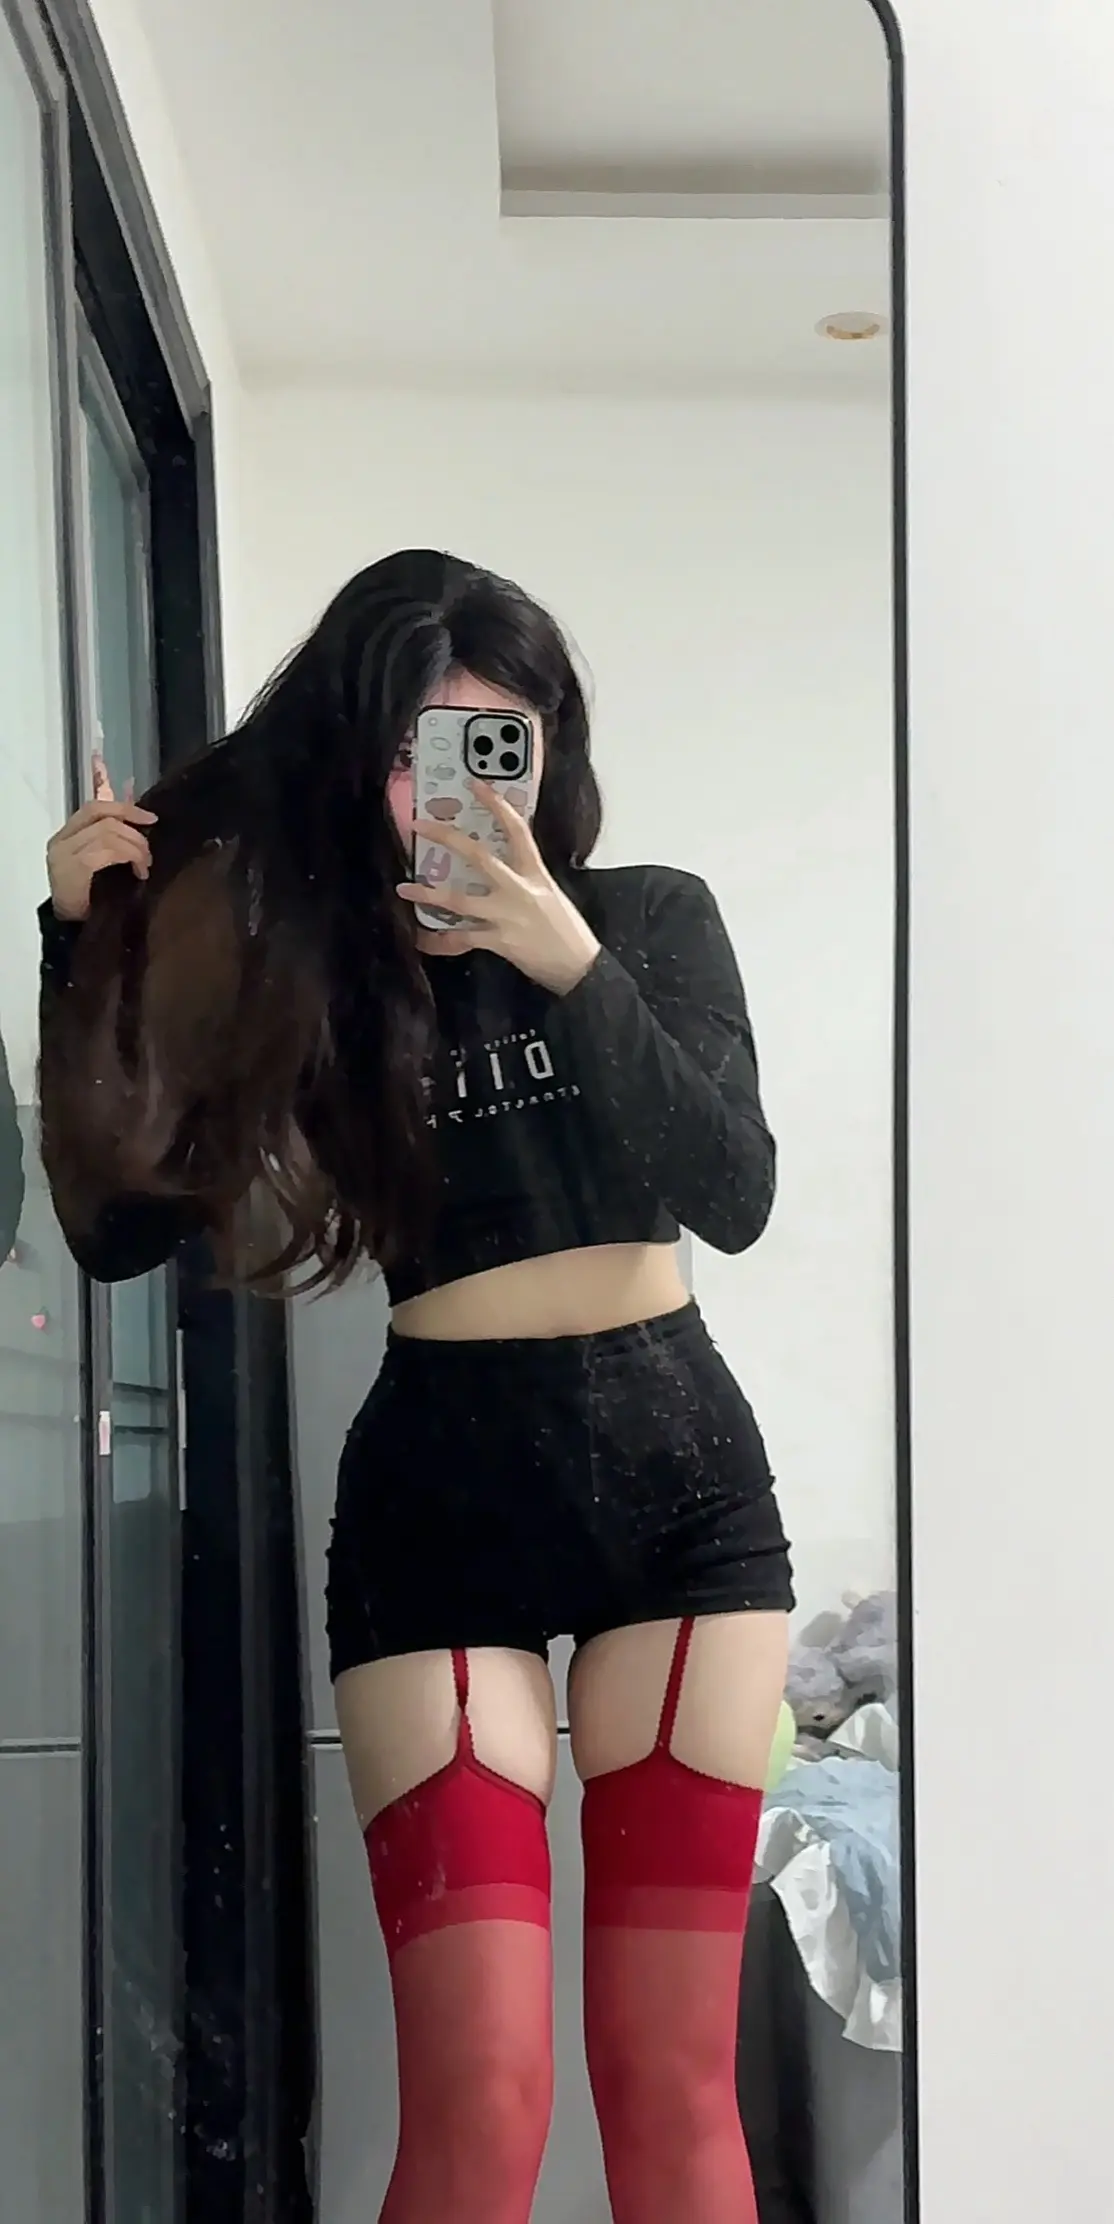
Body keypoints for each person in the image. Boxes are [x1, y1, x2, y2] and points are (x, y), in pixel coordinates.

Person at [37, 548, 793, 2224]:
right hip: (435, 1505)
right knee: (477, 2099)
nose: (441, 787)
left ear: (548, 741)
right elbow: (114, 1235)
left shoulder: (647, 916)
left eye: (488, 740)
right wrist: (80, 945)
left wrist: (566, 959)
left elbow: (732, 1191)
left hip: (683, 1502)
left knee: (670, 2083)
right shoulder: (315, 973)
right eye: (407, 751)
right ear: (356, 763)